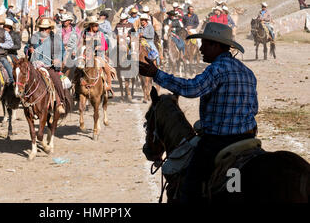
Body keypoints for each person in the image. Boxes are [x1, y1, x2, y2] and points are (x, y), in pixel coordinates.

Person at [139, 22, 257, 203]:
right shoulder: (247, 72)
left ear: (216, 46)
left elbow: (192, 88)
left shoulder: (217, 69)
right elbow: (253, 108)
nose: (200, 49)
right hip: (248, 140)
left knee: (189, 186)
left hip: (218, 142)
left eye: (205, 44)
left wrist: (157, 74)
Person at [27, 17, 72, 113]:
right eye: (41, 28)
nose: (43, 30)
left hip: (49, 66)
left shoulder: (55, 39)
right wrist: (29, 50)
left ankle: (61, 102)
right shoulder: (34, 37)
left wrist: (58, 60)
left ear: (49, 28)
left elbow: (62, 51)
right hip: (34, 66)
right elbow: (27, 47)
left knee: (57, 81)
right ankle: (25, 100)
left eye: (45, 28)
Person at [79, 16, 114, 98]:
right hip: (86, 55)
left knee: (107, 68)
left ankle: (108, 86)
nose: (97, 27)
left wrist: (99, 47)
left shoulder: (100, 34)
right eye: (95, 25)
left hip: (98, 55)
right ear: (91, 26)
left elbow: (105, 46)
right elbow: (80, 43)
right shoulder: (84, 34)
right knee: (78, 68)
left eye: (97, 25)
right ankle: (76, 86)